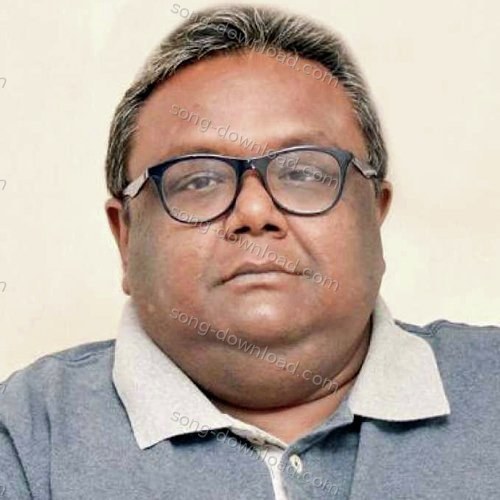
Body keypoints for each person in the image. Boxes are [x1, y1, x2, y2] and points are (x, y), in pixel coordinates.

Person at [1, 5, 499, 499]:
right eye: (199, 179)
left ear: (375, 212)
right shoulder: (26, 438)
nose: (255, 211)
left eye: (304, 172)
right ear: (125, 236)